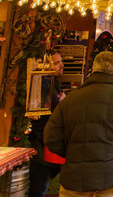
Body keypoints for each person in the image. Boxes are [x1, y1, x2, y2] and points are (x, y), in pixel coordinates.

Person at [44, 51, 113, 196]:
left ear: (94, 69)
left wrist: (72, 154)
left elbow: (51, 137)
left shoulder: (70, 99)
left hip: (75, 176)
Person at [29, 50, 65, 197]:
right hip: (41, 141)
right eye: (56, 63)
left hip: (48, 141)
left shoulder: (53, 82)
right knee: (39, 187)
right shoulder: (42, 84)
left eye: (61, 61)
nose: (61, 65)